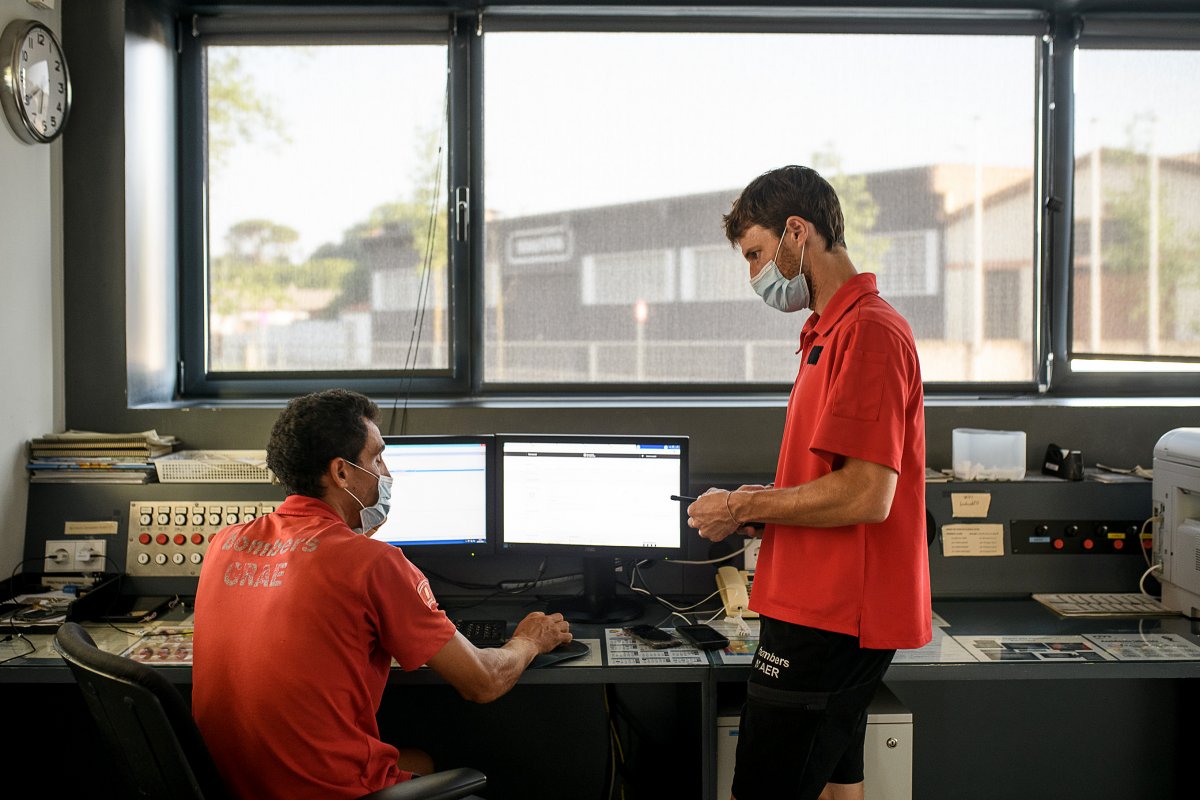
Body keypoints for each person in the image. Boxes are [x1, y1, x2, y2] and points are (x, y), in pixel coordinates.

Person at [192, 389, 571, 800]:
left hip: (234, 785)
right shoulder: (374, 564)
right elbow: (482, 682)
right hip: (328, 792)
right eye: (376, 459)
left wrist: (350, 535)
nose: (386, 473)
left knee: (421, 761)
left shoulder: (224, 543)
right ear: (341, 473)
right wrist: (529, 641)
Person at [687, 166, 931, 800]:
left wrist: (742, 505)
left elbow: (866, 494)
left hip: (834, 615)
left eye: (756, 255)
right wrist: (754, 506)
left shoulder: (870, 333)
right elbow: (824, 478)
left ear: (797, 232)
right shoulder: (827, 331)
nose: (754, 276)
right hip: (813, 602)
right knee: (837, 783)